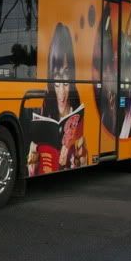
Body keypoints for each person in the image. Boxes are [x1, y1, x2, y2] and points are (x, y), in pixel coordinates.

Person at [27, 22, 87, 175]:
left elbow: (84, 157)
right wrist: (32, 158)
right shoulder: (45, 104)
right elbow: (33, 160)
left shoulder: (77, 110)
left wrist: (77, 153)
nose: (61, 93)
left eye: (66, 81)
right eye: (56, 81)